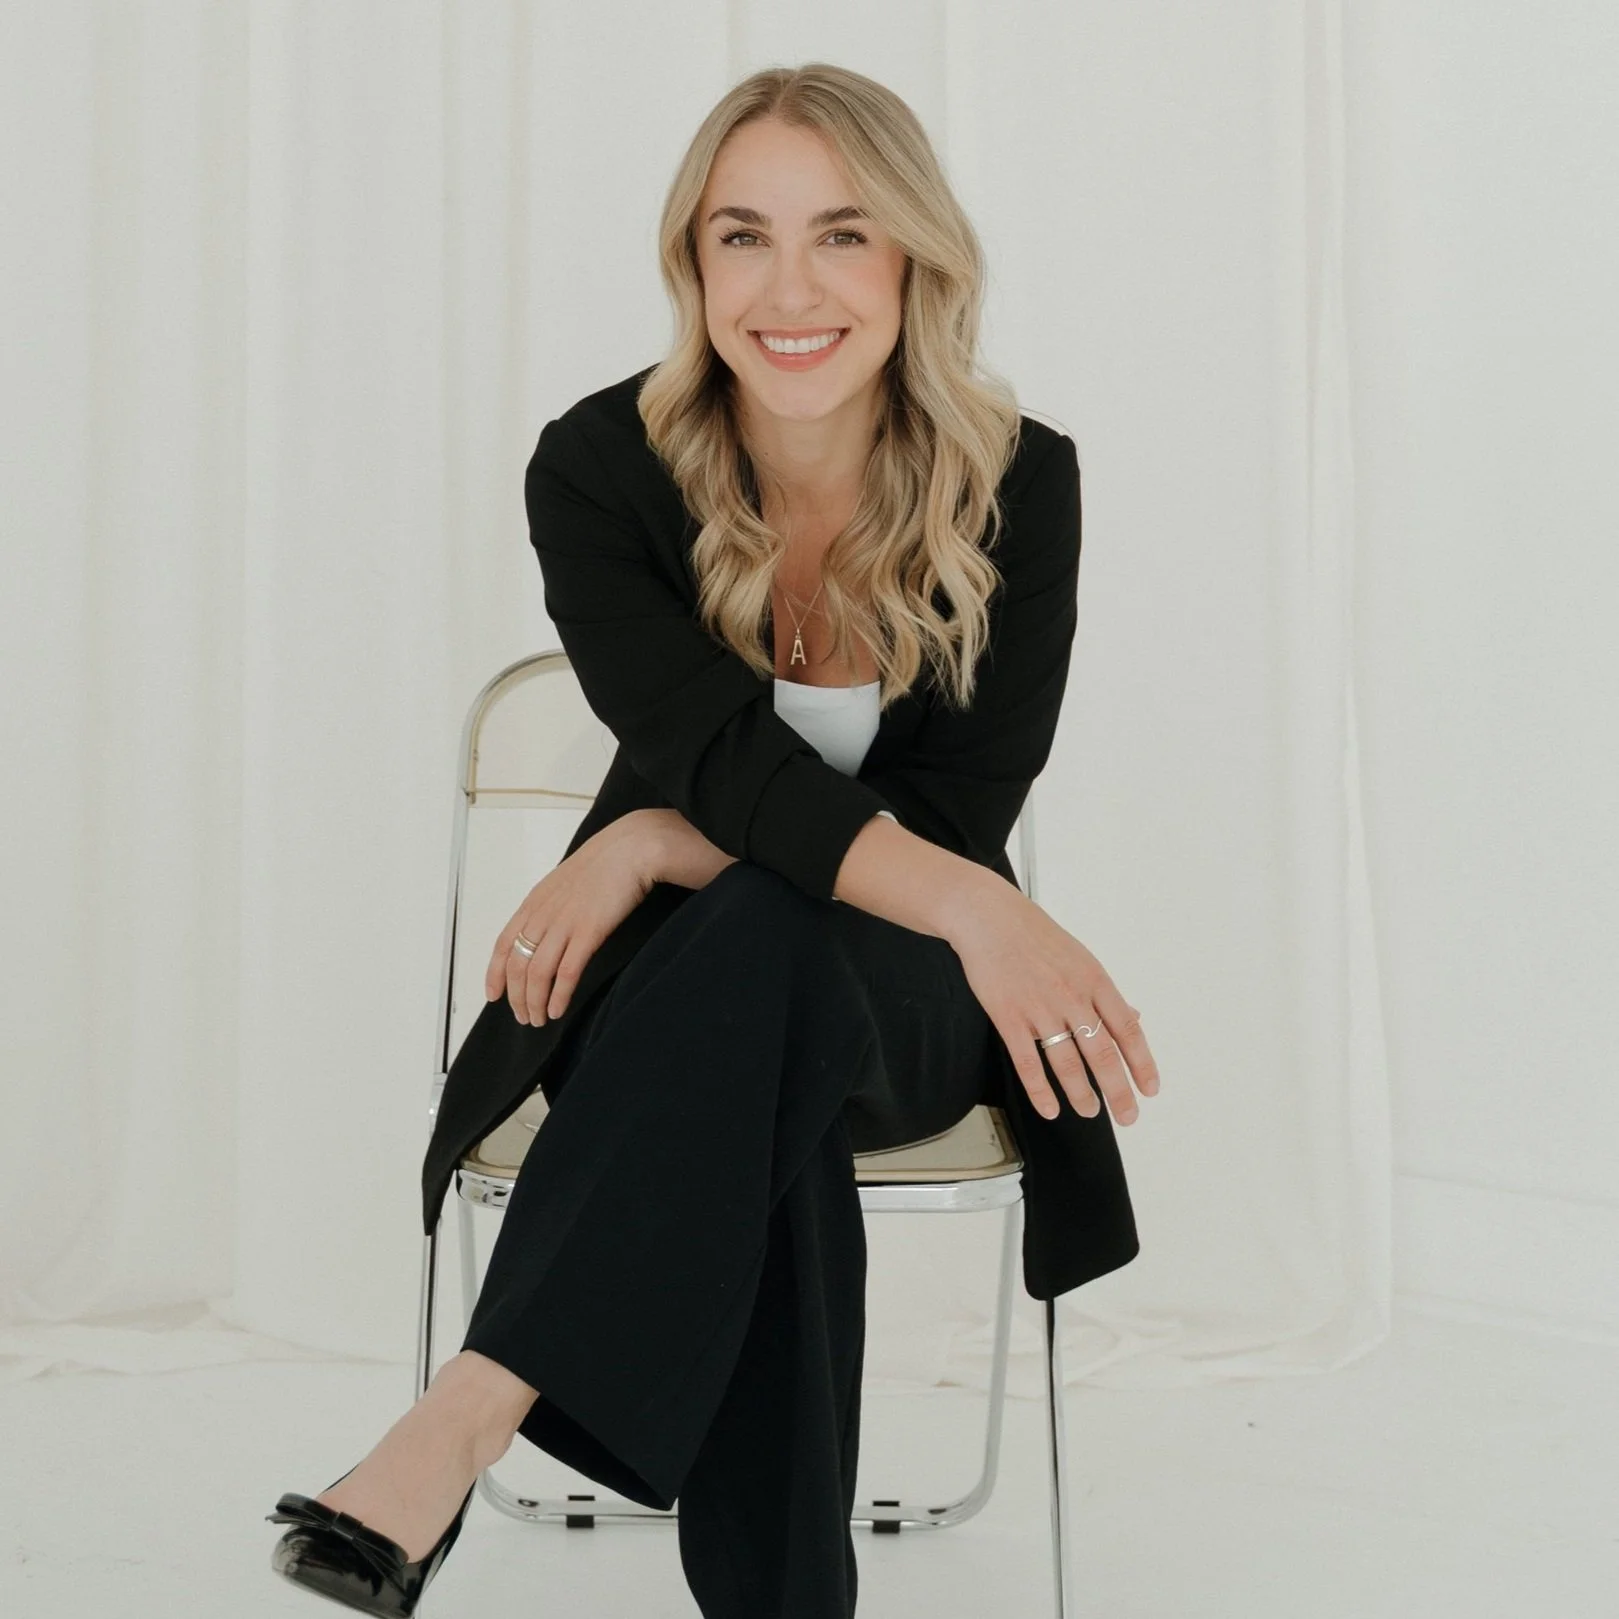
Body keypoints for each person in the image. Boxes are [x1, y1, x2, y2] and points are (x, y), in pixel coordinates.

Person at [267, 60, 1159, 1619]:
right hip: (701, 999)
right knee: (765, 1032)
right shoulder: (599, 467)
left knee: (771, 950)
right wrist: (702, 850)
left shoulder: (1022, 483)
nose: (789, 288)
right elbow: (712, 757)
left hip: (919, 987)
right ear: (691, 261)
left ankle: (464, 1410)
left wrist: (647, 849)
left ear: (913, 260)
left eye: (842, 234)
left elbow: (952, 812)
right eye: (742, 235)